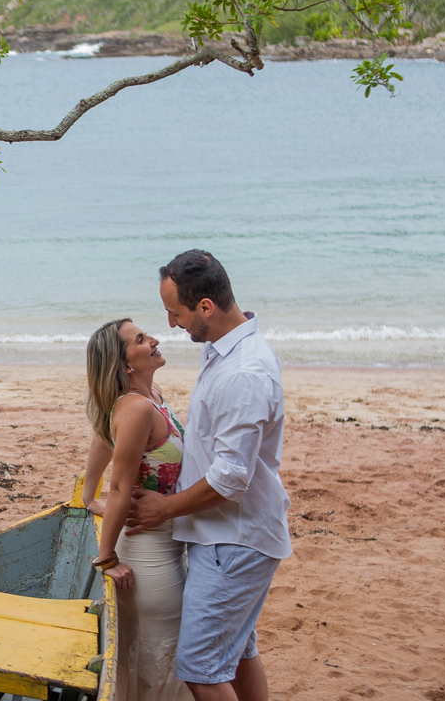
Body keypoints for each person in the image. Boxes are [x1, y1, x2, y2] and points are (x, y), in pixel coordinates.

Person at [127, 250, 292, 701]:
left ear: (205, 307)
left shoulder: (244, 372)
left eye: (176, 313)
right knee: (237, 654)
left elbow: (231, 478)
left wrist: (164, 508)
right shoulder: (225, 350)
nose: (171, 323)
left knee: (200, 670)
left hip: (233, 540)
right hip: (226, 535)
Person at [82, 318, 194, 701]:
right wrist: (106, 559)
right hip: (149, 560)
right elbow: (119, 488)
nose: (155, 340)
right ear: (125, 363)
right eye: (141, 340)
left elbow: (104, 435)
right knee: (159, 668)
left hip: (168, 546)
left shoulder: (151, 396)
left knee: (156, 666)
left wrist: (87, 495)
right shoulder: (135, 409)